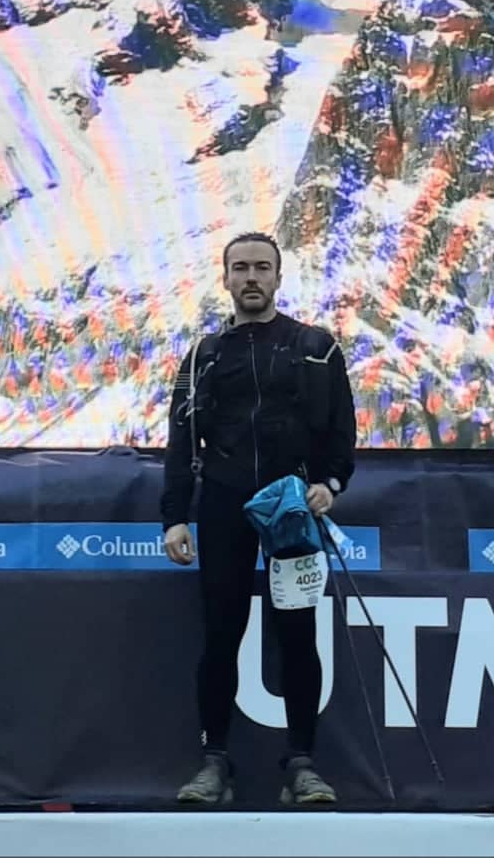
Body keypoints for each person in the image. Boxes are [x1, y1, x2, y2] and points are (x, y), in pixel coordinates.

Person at [160, 230, 358, 806]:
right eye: (241, 268)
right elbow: (181, 442)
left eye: (261, 268)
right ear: (225, 279)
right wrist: (175, 517)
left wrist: (329, 484)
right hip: (223, 506)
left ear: (278, 277)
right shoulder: (202, 356)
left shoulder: (316, 346)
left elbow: (342, 428)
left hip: (290, 508)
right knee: (222, 635)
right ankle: (214, 764)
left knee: (297, 635)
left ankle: (302, 766)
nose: (251, 277)